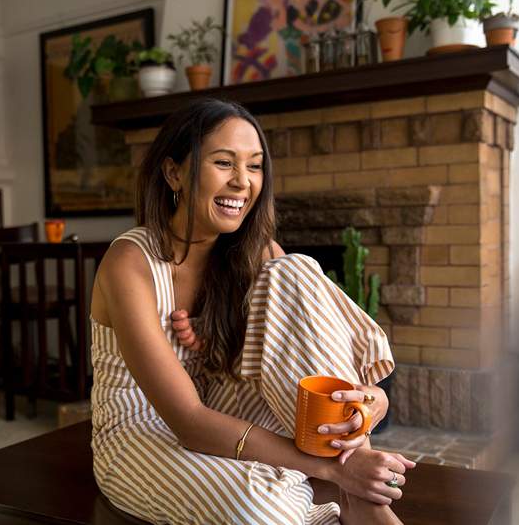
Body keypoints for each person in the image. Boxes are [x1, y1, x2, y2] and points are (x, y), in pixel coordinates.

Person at [89, 98, 414, 524]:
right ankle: (320, 491)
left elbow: (312, 371)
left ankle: (364, 506)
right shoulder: (130, 263)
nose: (243, 182)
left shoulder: (256, 256)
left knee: (294, 268)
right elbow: (188, 420)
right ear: (174, 173)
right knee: (260, 511)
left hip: (223, 414)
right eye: (223, 163)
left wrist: (371, 403)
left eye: (255, 166)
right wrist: (334, 467)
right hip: (143, 434)